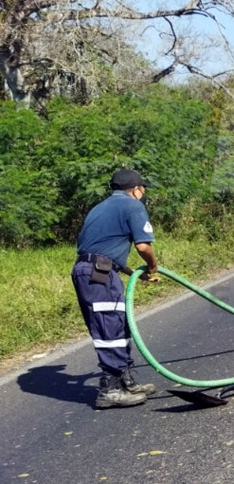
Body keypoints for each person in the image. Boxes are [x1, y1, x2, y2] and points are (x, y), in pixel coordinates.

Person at [72, 169, 162, 409]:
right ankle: (111, 390)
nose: (143, 193)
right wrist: (153, 266)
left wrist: (135, 274)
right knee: (109, 324)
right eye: (143, 189)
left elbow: (101, 249)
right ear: (136, 189)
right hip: (99, 273)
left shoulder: (99, 208)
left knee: (118, 323)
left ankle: (125, 382)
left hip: (93, 269)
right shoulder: (133, 205)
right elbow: (143, 246)